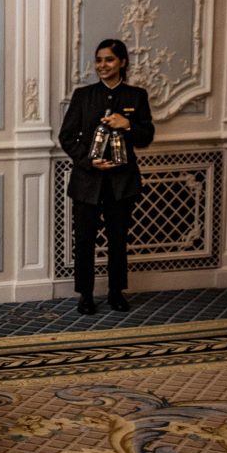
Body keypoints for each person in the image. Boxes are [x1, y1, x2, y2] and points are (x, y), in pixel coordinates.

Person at [59, 39, 154, 315]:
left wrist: (128, 124)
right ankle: (85, 295)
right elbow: (66, 137)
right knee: (85, 241)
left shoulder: (137, 96)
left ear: (122, 62)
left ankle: (116, 292)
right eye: (99, 60)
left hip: (122, 184)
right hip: (87, 182)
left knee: (118, 240)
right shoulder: (83, 96)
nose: (102, 65)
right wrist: (89, 162)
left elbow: (146, 137)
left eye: (109, 60)